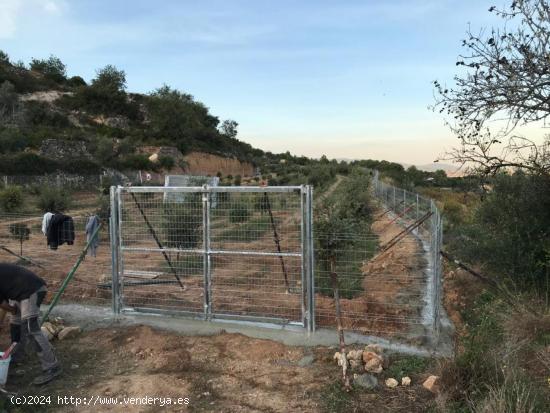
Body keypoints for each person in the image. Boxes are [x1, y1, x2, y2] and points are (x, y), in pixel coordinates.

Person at [0, 263, 61, 385]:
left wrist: (12, 310)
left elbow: (3, 305)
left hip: (32, 290)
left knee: (31, 328)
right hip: (19, 292)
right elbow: (3, 303)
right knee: (15, 324)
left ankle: (52, 367)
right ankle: (17, 356)